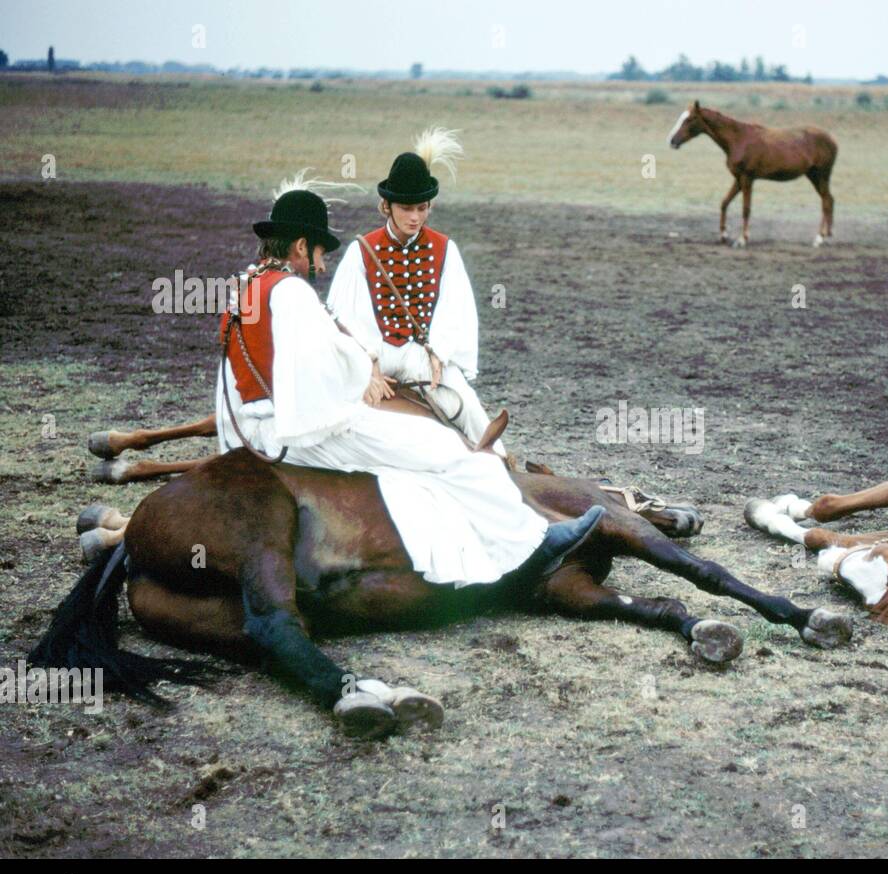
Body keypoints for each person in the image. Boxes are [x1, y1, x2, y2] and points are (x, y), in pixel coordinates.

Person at [215, 174, 604, 592]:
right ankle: (535, 545)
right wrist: (362, 371)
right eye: (320, 253)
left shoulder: (244, 286)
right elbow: (324, 362)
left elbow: (230, 381)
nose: (322, 264)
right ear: (298, 246)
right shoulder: (291, 292)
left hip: (250, 430)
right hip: (296, 433)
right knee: (452, 451)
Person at [327, 128, 507, 454]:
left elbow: (454, 307)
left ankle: (503, 464)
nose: (415, 217)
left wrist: (438, 353)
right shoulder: (362, 250)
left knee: (465, 403)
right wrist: (368, 363)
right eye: (406, 208)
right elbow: (347, 314)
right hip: (376, 350)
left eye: (422, 208)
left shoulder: (444, 248)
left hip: (418, 354)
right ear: (387, 206)